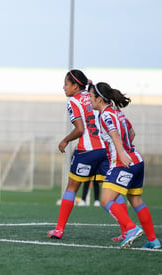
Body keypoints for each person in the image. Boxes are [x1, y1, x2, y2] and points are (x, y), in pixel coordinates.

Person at [89, 81, 161, 249]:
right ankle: (153, 240)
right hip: (137, 160)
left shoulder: (105, 115)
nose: (90, 100)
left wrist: (121, 153)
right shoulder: (116, 111)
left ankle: (131, 229)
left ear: (99, 99)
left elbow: (114, 134)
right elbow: (132, 132)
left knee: (106, 200)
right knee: (136, 200)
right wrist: (126, 149)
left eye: (92, 97)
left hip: (123, 163)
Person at [47, 69, 108, 239]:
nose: (64, 87)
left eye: (66, 84)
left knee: (71, 188)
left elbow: (80, 129)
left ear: (75, 86)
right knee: (112, 190)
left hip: (87, 151)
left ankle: (59, 229)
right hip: (106, 150)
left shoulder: (73, 101)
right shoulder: (94, 97)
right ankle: (128, 229)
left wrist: (65, 140)